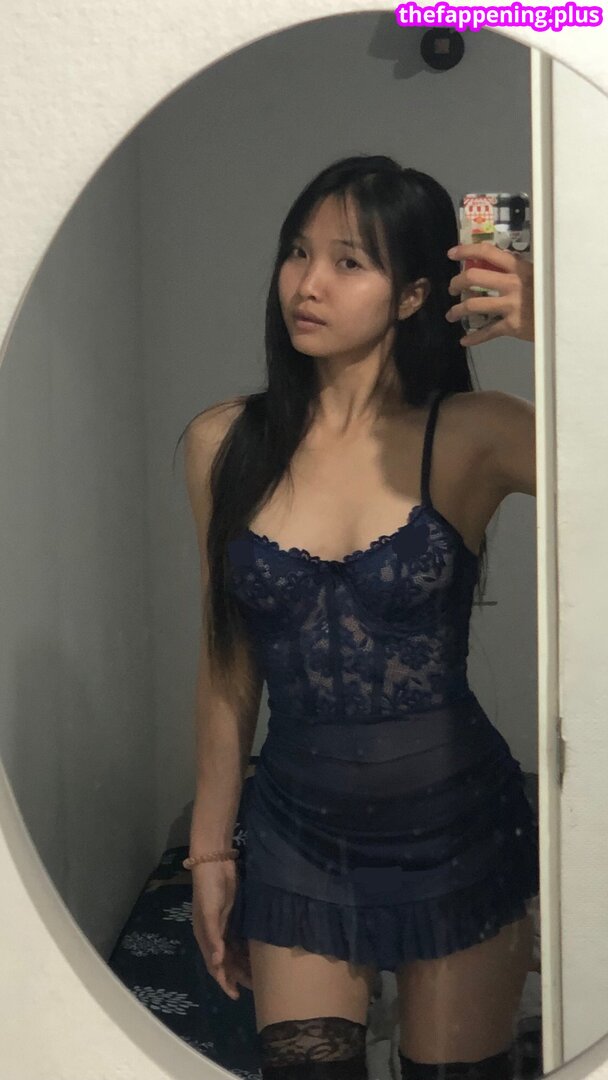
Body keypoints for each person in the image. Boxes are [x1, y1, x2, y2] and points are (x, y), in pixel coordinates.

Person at [176, 155, 538, 1080]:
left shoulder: (479, 430)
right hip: (297, 834)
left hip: (460, 831)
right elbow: (226, 660)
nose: (308, 284)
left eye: (348, 262)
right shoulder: (224, 443)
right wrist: (210, 851)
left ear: (413, 295)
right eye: (298, 252)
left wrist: (558, 329)